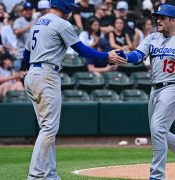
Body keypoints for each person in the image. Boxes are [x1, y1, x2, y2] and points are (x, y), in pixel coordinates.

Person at [22, 0, 126, 179]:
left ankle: (50, 175)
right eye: (70, 8)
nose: (71, 11)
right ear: (64, 7)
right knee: (49, 129)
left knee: (47, 129)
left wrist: (30, 72)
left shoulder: (38, 21)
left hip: (33, 73)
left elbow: (25, 55)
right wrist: (106, 56)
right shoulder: (62, 24)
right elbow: (82, 50)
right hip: (47, 75)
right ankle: (36, 175)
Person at [117, 4, 175, 180]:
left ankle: (157, 175)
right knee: (158, 130)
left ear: (173, 20)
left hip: (173, 87)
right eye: (157, 17)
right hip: (155, 88)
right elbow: (138, 55)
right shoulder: (152, 37)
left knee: (158, 128)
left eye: (162, 17)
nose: (158, 20)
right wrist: (125, 56)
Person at [13, 2, 35, 71]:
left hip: (32, 54)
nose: (28, 11)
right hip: (20, 53)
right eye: (26, 9)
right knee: (17, 70)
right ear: (23, 11)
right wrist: (29, 26)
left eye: (30, 9)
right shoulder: (18, 20)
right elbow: (16, 32)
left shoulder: (36, 20)